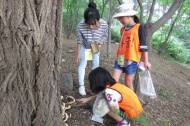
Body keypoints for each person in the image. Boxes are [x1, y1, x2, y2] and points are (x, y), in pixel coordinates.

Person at [77, 67, 143, 126]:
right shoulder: (113, 85)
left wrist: (105, 107)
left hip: (133, 115)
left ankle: (125, 123)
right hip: (136, 109)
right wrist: (88, 99)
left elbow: (115, 109)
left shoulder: (109, 93)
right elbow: (102, 93)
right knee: (107, 101)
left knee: (105, 106)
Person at [112, 4, 151, 91]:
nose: (120, 20)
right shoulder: (122, 29)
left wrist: (146, 61)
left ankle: (133, 102)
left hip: (132, 59)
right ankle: (113, 99)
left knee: (128, 82)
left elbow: (144, 46)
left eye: (122, 17)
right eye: (119, 18)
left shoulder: (140, 27)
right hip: (121, 57)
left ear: (130, 16)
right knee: (114, 80)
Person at [76, 2, 108, 96]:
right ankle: (81, 86)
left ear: (98, 20)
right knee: (82, 65)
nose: (90, 27)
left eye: (93, 24)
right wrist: (78, 54)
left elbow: (105, 36)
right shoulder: (80, 26)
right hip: (85, 46)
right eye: (88, 24)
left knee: (95, 66)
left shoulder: (104, 24)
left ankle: (95, 85)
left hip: (95, 46)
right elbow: (79, 41)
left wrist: (100, 43)